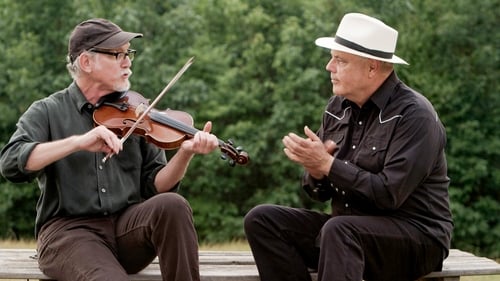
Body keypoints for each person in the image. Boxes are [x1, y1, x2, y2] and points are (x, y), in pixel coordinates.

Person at [0, 18, 219, 281]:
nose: (128, 62)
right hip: (69, 234)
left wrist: (185, 153)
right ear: (86, 62)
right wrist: (78, 142)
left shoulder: (136, 112)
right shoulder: (47, 111)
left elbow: (156, 186)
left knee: (173, 205)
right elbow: (11, 163)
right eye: (118, 54)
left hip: (127, 230)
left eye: (129, 54)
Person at [244, 12, 453, 281]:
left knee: (339, 230)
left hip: (417, 237)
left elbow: (388, 195)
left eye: (340, 60)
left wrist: (328, 165)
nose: (329, 67)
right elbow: (318, 193)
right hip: (346, 233)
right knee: (262, 220)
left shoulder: (415, 116)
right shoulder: (336, 108)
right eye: (332, 58)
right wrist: (317, 172)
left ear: (372, 67)